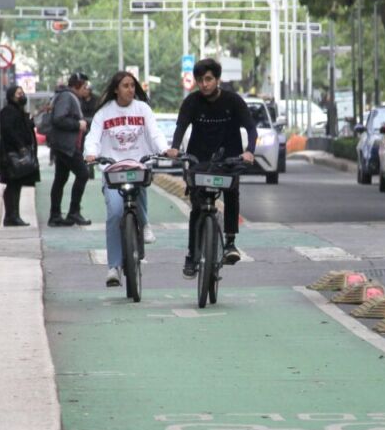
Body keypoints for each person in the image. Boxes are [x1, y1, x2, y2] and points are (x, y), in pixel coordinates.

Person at [166, 58, 256, 278]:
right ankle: (191, 255)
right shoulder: (191, 102)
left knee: (232, 193)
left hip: (229, 161)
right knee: (197, 208)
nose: (204, 84)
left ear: (217, 79)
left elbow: (251, 129)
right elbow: (181, 127)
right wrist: (175, 148)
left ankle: (230, 243)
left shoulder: (233, 101)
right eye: (200, 80)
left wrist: (249, 151)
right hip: (199, 161)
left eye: (208, 79)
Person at [83, 71, 168, 287]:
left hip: (138, 165)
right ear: (115, 89)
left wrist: (165, 150)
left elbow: (155, 133)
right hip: (112, 170)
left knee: (140, 188)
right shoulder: (104, 113)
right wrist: (90, 153)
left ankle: (145, 223)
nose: (130, 89)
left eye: (132, 85)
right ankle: (113, 267)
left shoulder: (143, 109)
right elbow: (93, 137)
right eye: (125, 85)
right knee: (114, 213)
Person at [46, 72, 92, 227]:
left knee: (60, 179)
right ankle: (73, 212)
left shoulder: (66, 96)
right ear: (77, 85)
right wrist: (77, 124)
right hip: (67, 146)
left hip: (63, 145)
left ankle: (55, 215)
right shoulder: (67, 97)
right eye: (85, 86)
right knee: (83, 173)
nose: (87, 90)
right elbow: (59, 118)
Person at [0, 84, 39, 226]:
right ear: (11, 96)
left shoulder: (19, 111)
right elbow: (9, 131)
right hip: (11, 153)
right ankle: (11, 215)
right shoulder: (8, 111)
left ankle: (13, 215)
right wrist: (20, 147)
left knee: (17, 183)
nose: (22, 96)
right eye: (18, 93)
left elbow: (25, 127)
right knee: (13, 184)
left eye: (22, 93)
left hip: (17, 151)